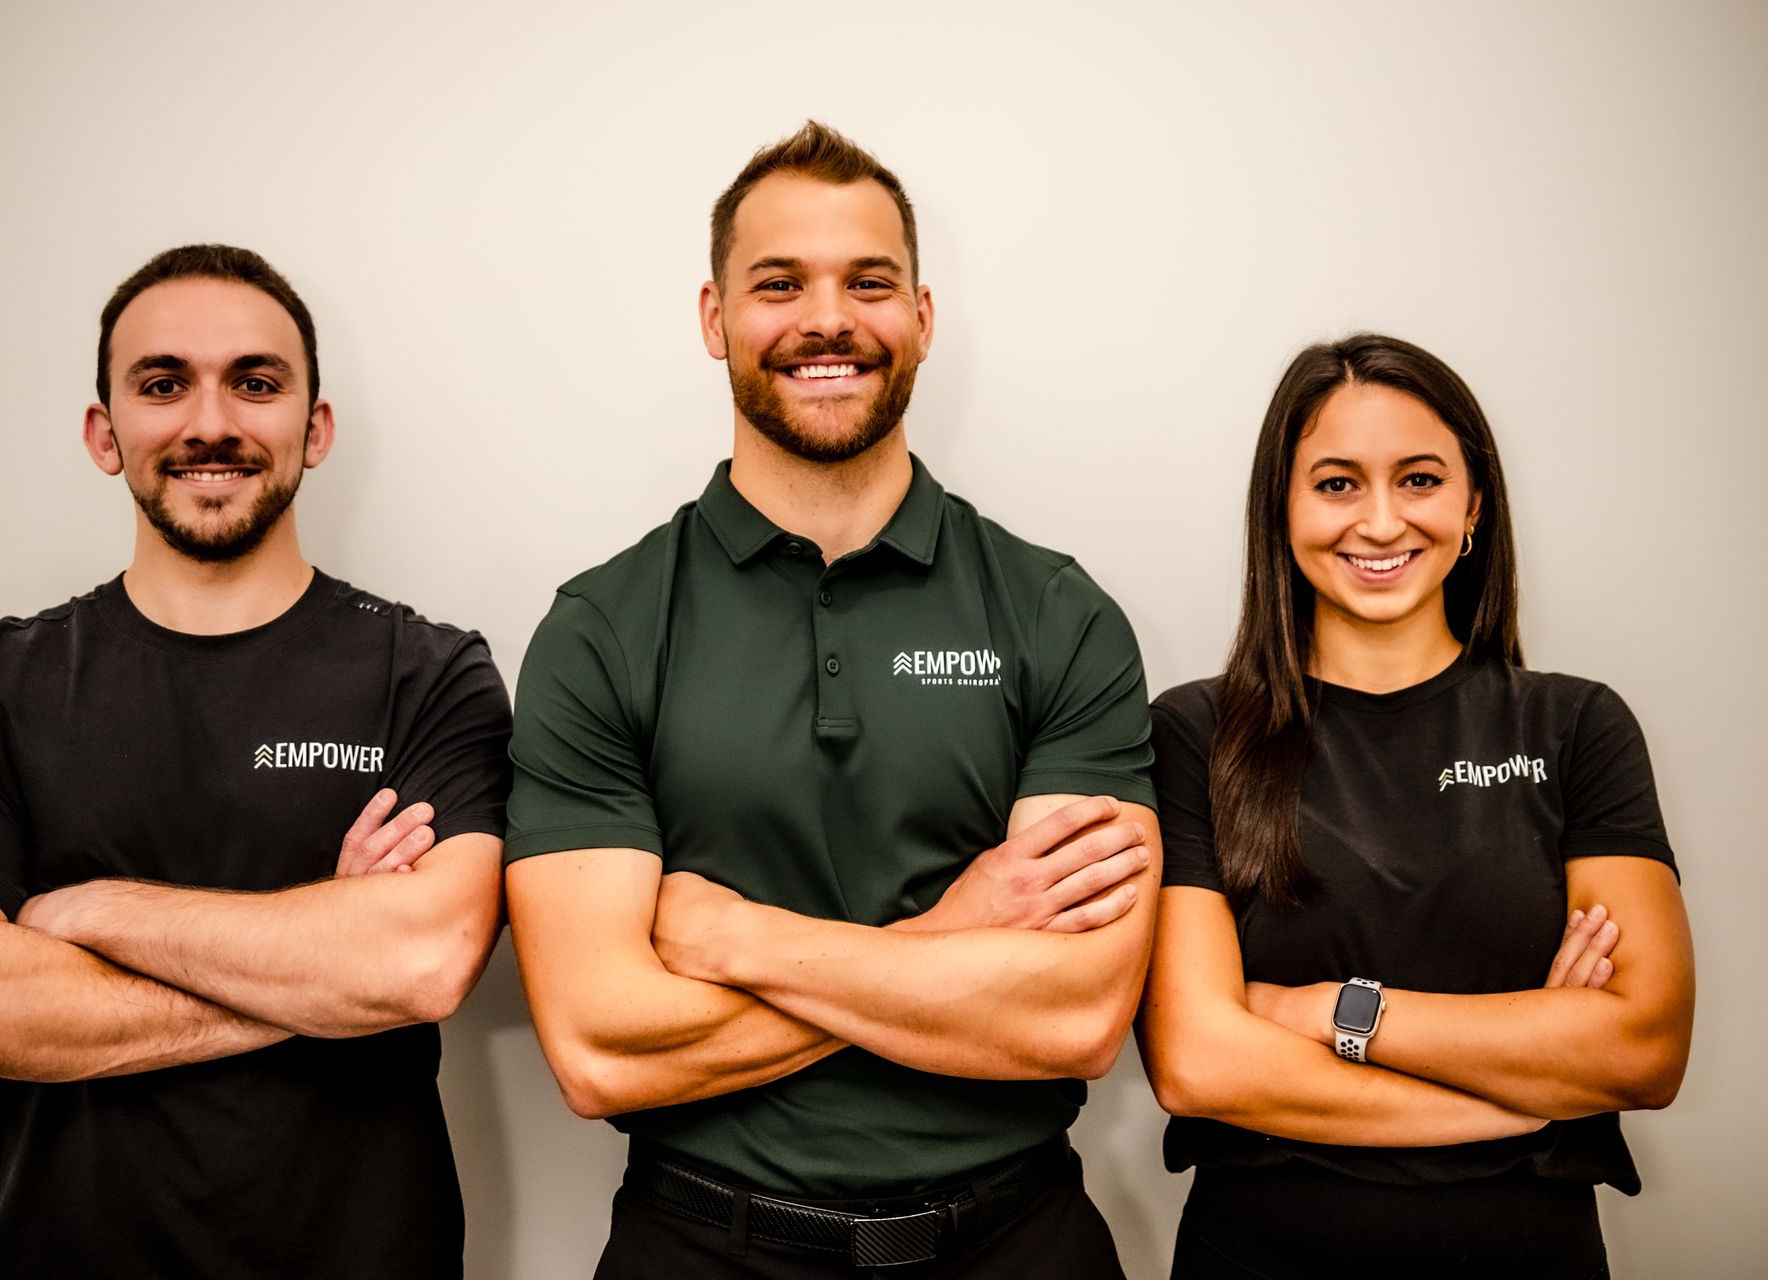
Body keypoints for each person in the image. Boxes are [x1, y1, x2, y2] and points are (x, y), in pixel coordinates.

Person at [504, 121, 1162, 1276]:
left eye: (869, 281)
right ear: (715, 318)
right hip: (704, 1245)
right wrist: (949, 940)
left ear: (922, 317)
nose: (827, 319)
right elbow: (599, 1046)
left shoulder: (1058, 613)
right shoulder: (603, 628)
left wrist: (730, 935)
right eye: (779, 283)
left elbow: (1074, 1017)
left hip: (1015, 1240)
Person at [0, 244, 511, 1279]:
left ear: (317, 426)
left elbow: (420, 960)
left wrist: (88, 912)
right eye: (164, 384)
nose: (212, 422)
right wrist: (320, 964)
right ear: (103, 434)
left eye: (257, 382)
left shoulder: (427, 674)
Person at [1136, 332, 1694, 1279]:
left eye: (1422, 479)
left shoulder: (1574, 726)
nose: (1383, 521)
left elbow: (1642, 1048)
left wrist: (1329, 1011)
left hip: (1529, 1254)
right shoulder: (1196, 734)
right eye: (1338, 483)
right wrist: (1518, 1095)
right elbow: (1199, 1063)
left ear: (1475, 505)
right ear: (1282, 507)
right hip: (1262, 1254)